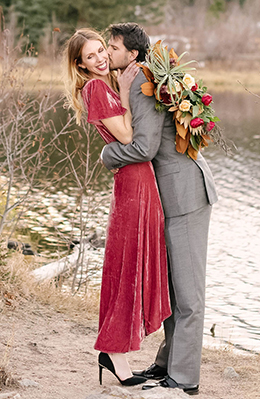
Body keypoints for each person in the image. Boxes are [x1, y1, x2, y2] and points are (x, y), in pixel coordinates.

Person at [102, 22, 218, 396]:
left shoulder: (141, 82)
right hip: (168, 197)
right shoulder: (139, 79)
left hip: (185, 195)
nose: (107, 53)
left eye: (113, 48)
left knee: (187, 295)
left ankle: (184, 379)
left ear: (132, 54)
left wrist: (107, 155)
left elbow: (145, 147)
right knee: (172, 289)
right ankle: (167, 364)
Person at [65, 28, 171, 388]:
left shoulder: (105, 84)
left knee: (133, 262)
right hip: (132, 183)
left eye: (102, 51)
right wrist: (126, 92)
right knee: (126, 265)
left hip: (140, 180)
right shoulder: (95, 88)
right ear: (80, 63)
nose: (100, 58)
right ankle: (114, 353)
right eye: (91, 56)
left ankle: (117, 352)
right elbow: (127, 136)